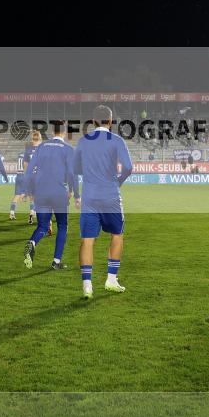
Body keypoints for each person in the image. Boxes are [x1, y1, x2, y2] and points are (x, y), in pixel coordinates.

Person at [73, 105, 133, 298]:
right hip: (111, 196)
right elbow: (128, 167)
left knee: (87, 240)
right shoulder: (117, 140)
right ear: (110, 121)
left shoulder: (83, 141)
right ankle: (111, 279)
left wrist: (89, 173)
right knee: (117, 234)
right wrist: (117, 182)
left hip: (90, 196)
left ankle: (87, 286)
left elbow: (75, 168)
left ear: (93, 121)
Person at [22, 122, 79, 271]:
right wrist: (75, 194)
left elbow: (29, 171)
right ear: (64, 133)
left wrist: (28, 191)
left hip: (41, 192)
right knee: (62, 226)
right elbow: (72, 174)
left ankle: (32, 242)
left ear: (53, 132)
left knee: (42, 226)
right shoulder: (68, 149)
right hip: (59, 192)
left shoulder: (41, 146)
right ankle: (56, 261)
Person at [10, 132, 41, 222]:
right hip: (38, 176)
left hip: (26, 175)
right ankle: (34, 212)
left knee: (25, 195)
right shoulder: (42, 149)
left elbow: (25, 165)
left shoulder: (26, 151)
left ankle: (14, 212)